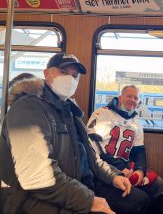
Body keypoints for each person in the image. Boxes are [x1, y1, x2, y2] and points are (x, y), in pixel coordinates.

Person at [0, 53, 150, 214]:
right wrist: (88, 200)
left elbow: (93, 158)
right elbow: (37, 176)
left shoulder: (71, 112)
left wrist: (114, 176)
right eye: (64, 72)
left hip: (79, 184)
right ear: (47, 73)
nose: (70, 79)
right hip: (37, 198)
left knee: (139, 201)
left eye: (75, 76)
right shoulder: (28, 108)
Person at [87, 85, 163, 204]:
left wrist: (140, 170)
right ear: (120, 97)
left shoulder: (136, 123)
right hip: (104, 167)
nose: (132, 100)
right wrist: (120, 167)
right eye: (129, 96)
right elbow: (93, 147)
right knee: (140, 199)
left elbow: (139, 151)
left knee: (158, 184)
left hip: (125, 167)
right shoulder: (101, 113)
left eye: (135, 98)